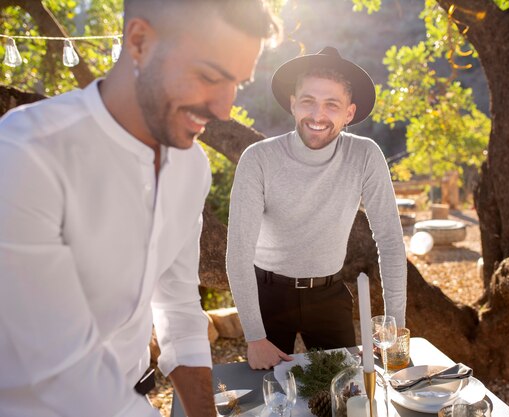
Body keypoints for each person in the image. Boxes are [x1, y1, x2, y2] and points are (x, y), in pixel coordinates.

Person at [0, 1, 280, 416]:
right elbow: (58, 369)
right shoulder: (26, 154)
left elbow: (178, 306)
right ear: (139, 41)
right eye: (208, 75)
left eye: (237, 83)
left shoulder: (191, 167)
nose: (223, 109)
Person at [226, 47, 407, 370]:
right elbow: (238, 251)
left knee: (344, 396)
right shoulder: (258, 159)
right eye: (308, 101)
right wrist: (254, 337)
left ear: (349, 113)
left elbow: (391, 242)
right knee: (268, 400)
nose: (318, 115)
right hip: (267, 295)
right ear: (293, 104)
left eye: (331, 104)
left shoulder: (365, 155)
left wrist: (393, 330)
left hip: (329, 295)